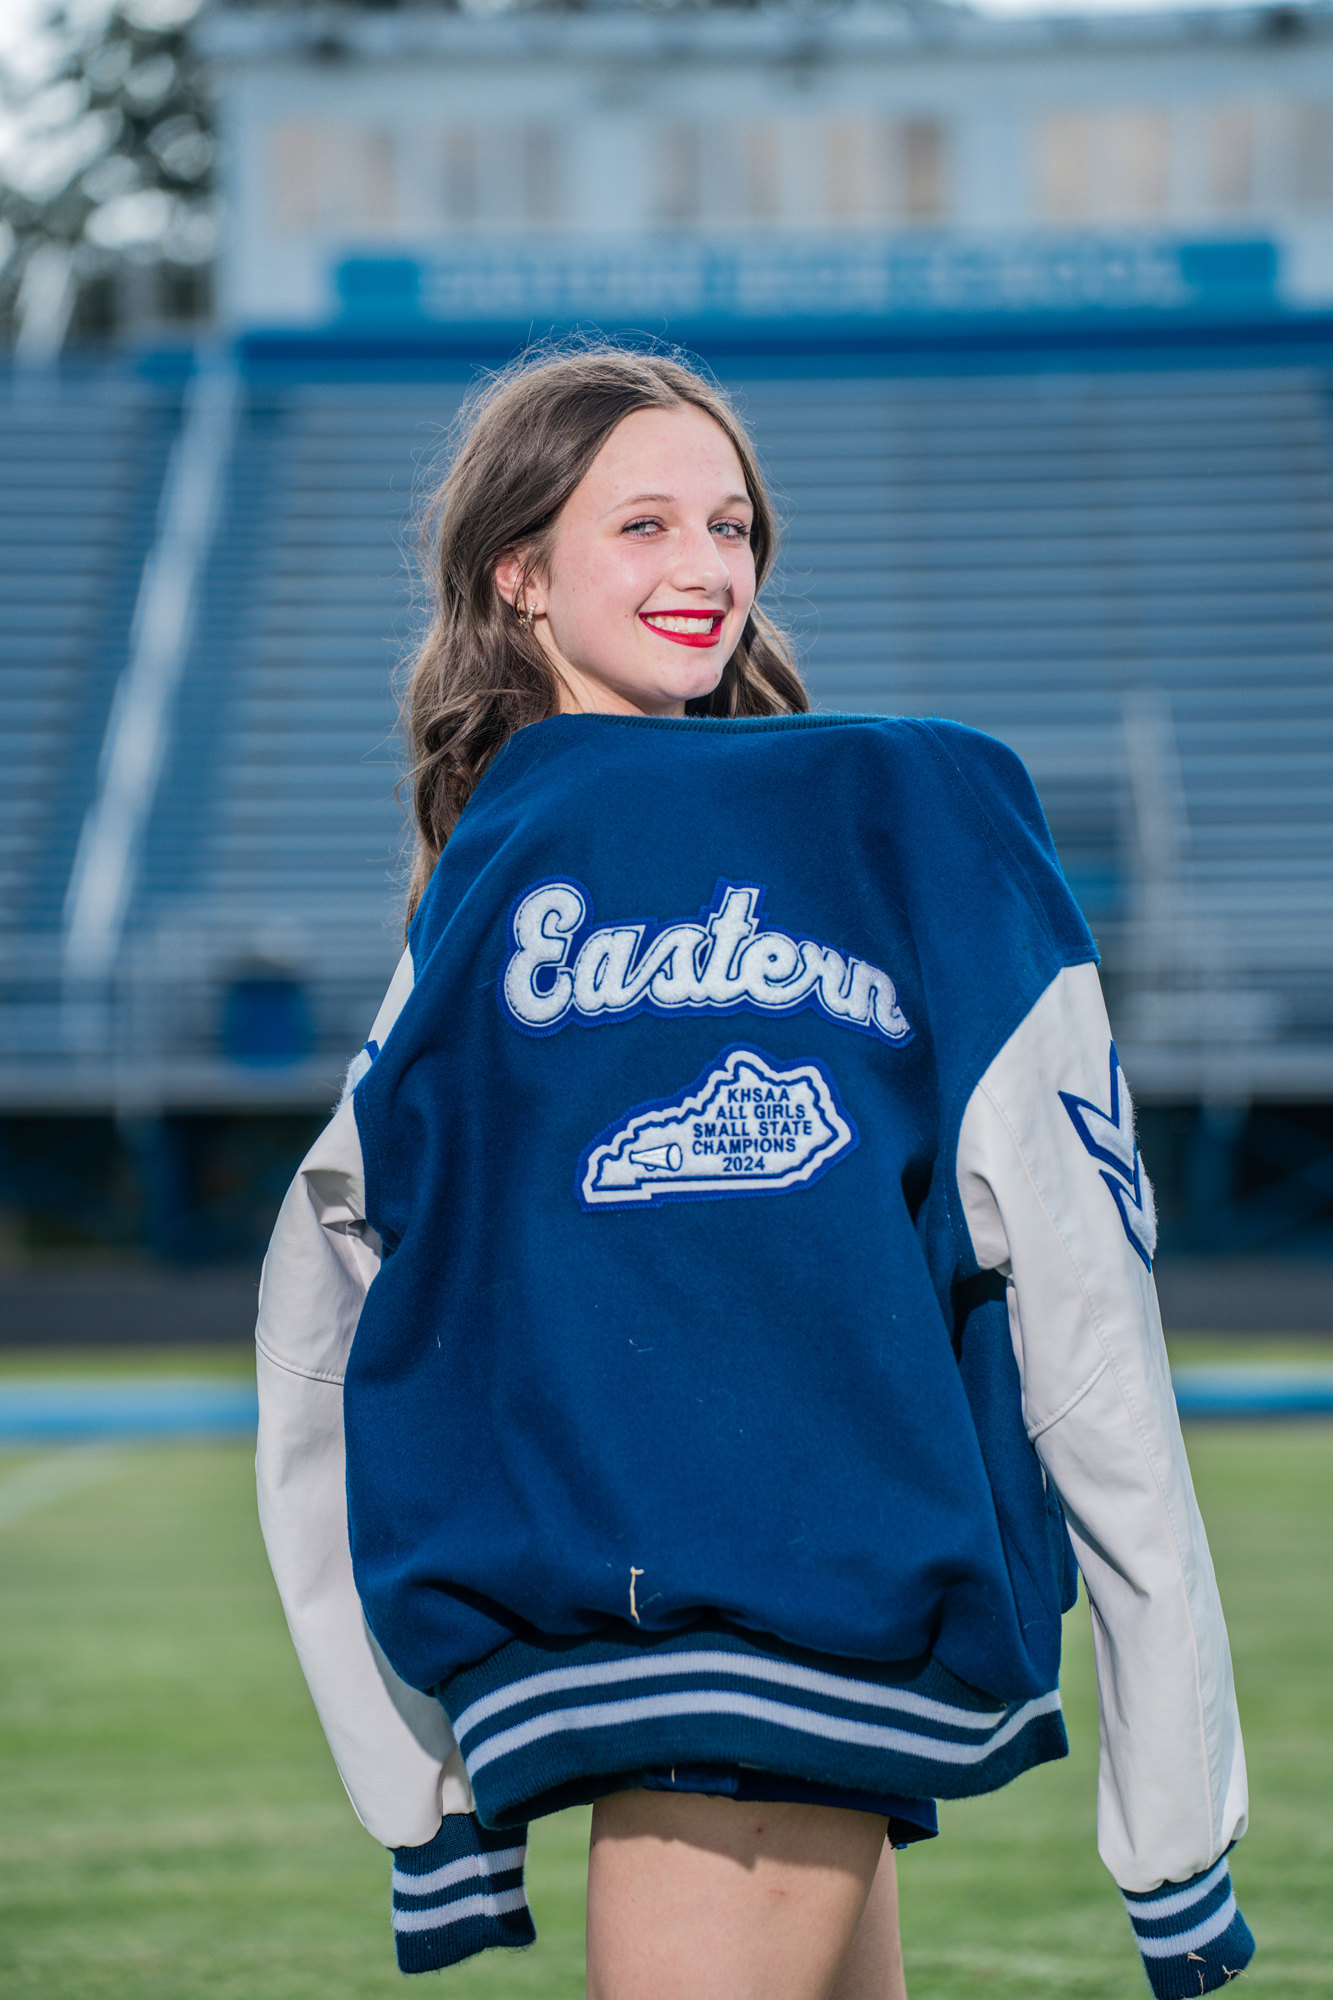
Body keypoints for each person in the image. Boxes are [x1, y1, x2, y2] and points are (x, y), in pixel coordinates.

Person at [255, 346, 1254, 2000]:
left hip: (792, 1600)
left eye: (729, 526)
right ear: (519, 573)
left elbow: (1080, 1286)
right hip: (674, 1622)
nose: (706, 567)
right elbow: (330, 1299)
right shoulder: (490, 873)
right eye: (642, 524)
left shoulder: (895, 805)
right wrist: (416, 1786)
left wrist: (1171, 1795)